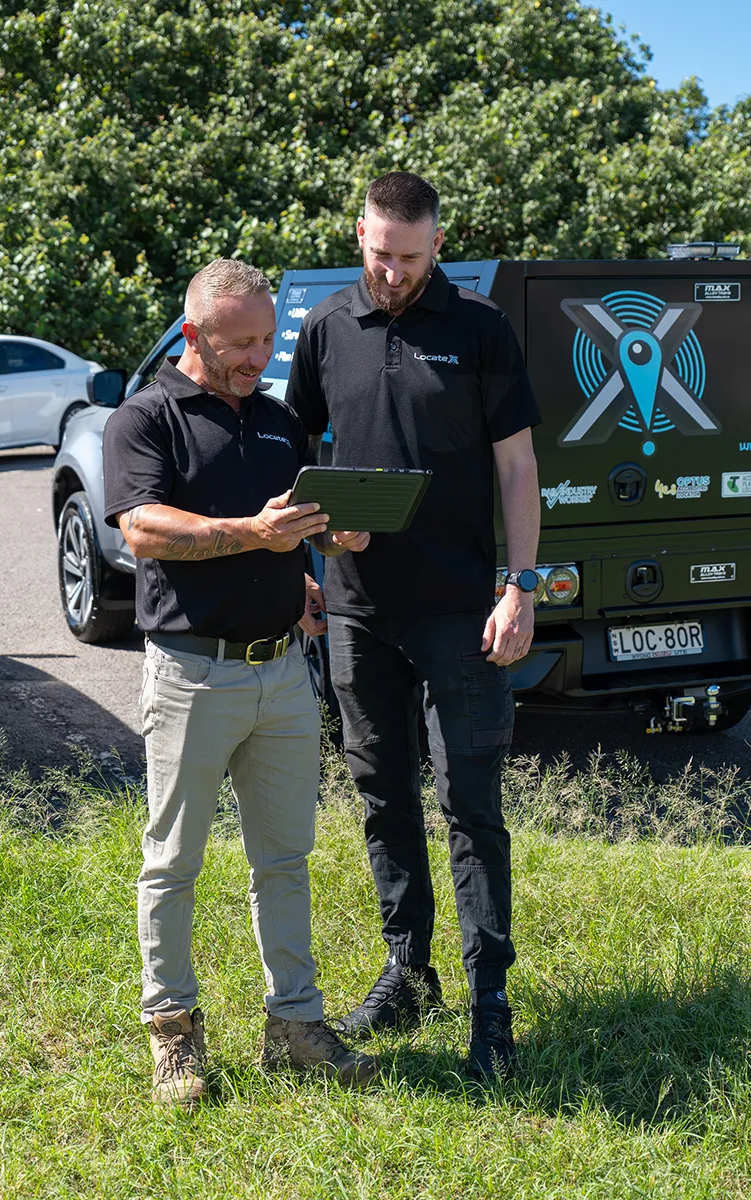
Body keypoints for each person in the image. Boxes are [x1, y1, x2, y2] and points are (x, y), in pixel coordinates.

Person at [102, 257, 376, 1107]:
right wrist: (253, 535)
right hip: (192, 673)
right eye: (241, 344)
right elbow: (144, 529)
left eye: (267, 339)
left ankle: (295, 1025)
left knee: (284, 860)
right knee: (172, 862)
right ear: (195, 335)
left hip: (284, 672)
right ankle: (173, 1034)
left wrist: (332, 538)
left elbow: (294, 524)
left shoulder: (276, 418)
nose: (260, 357)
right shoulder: (145, 417)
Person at [286, 172, 542, 1078]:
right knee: (382, 794)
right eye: (380, 253)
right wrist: (310, 557)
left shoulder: (481, 330)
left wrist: (521, 588)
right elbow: (296, 456)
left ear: (438, 242)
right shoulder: (325, 328)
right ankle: (408, 970)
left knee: (470, 803)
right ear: (359, 234)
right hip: (357, 608)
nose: (392, 272)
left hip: (462, 609)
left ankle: (489, 1000)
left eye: (410, 255)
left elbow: (519, 468)